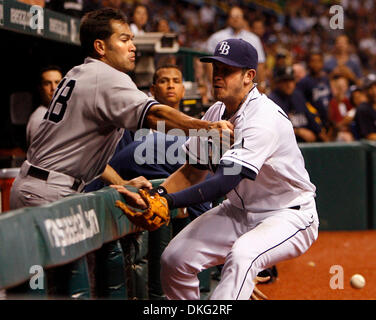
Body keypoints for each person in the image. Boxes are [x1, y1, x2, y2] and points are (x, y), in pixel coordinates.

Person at [112, 39, 319, 300]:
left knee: (243, 254)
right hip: (239, 211)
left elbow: (225, 181)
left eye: (227, 70)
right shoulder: (216, 113)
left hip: (287, 215)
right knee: (175, 259)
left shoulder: (263, 117)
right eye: (216, 69)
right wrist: (158, 195)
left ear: (249, 76)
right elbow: (191, 172)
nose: (218, 76)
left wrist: (168, 200)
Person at [9, 8, 233, 210]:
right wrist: (207, 128)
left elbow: (82, 153)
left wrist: (121, 182)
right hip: (48, 192)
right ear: (100, 47)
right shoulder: (105, 76)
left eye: (132, 40)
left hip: (40, 184)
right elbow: (155, 114)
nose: (133, 47)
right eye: (124, 40)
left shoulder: (80, 72)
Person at [205, 6, 266, 87]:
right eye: (232, 17)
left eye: (238, 17)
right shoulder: (216, 37)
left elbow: (260, 64)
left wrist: (261, 84)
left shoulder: (253, 39)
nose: (235, 19)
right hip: (223, 81)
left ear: (243, 19)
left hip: (246, 84)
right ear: (228, 19)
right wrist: (213, 84)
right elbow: (210, 64)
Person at [269, 66, 329, 143]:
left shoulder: (298, 96)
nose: (289, 84)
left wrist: (320, 133)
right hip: (285, 145)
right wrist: (299, 132)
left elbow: (310, 117)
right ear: (277, 83)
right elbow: (275, 129)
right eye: (285, 81)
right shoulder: (272, 100)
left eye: (291, 80)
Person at [26, 66, 63, 147]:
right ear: (40, 88)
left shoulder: (59, 113)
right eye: (47, 83)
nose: (53, 88)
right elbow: (39, 157)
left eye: (57, 82)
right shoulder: (40, 119)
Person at [296, 51, 331, 129]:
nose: (316, 64)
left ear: (322, 63)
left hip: (327, 119)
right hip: (313, 123)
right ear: (308, 63)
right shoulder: (303, 82)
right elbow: (301, 105)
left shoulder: (326, 80)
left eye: (319, 61)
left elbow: (330, 100)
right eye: (313, 61)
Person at [354, 73, 376, 141]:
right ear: (365, 91)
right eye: (370, 88)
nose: (374, 91)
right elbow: (370, 136)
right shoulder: (363, 109)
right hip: (369, 149)